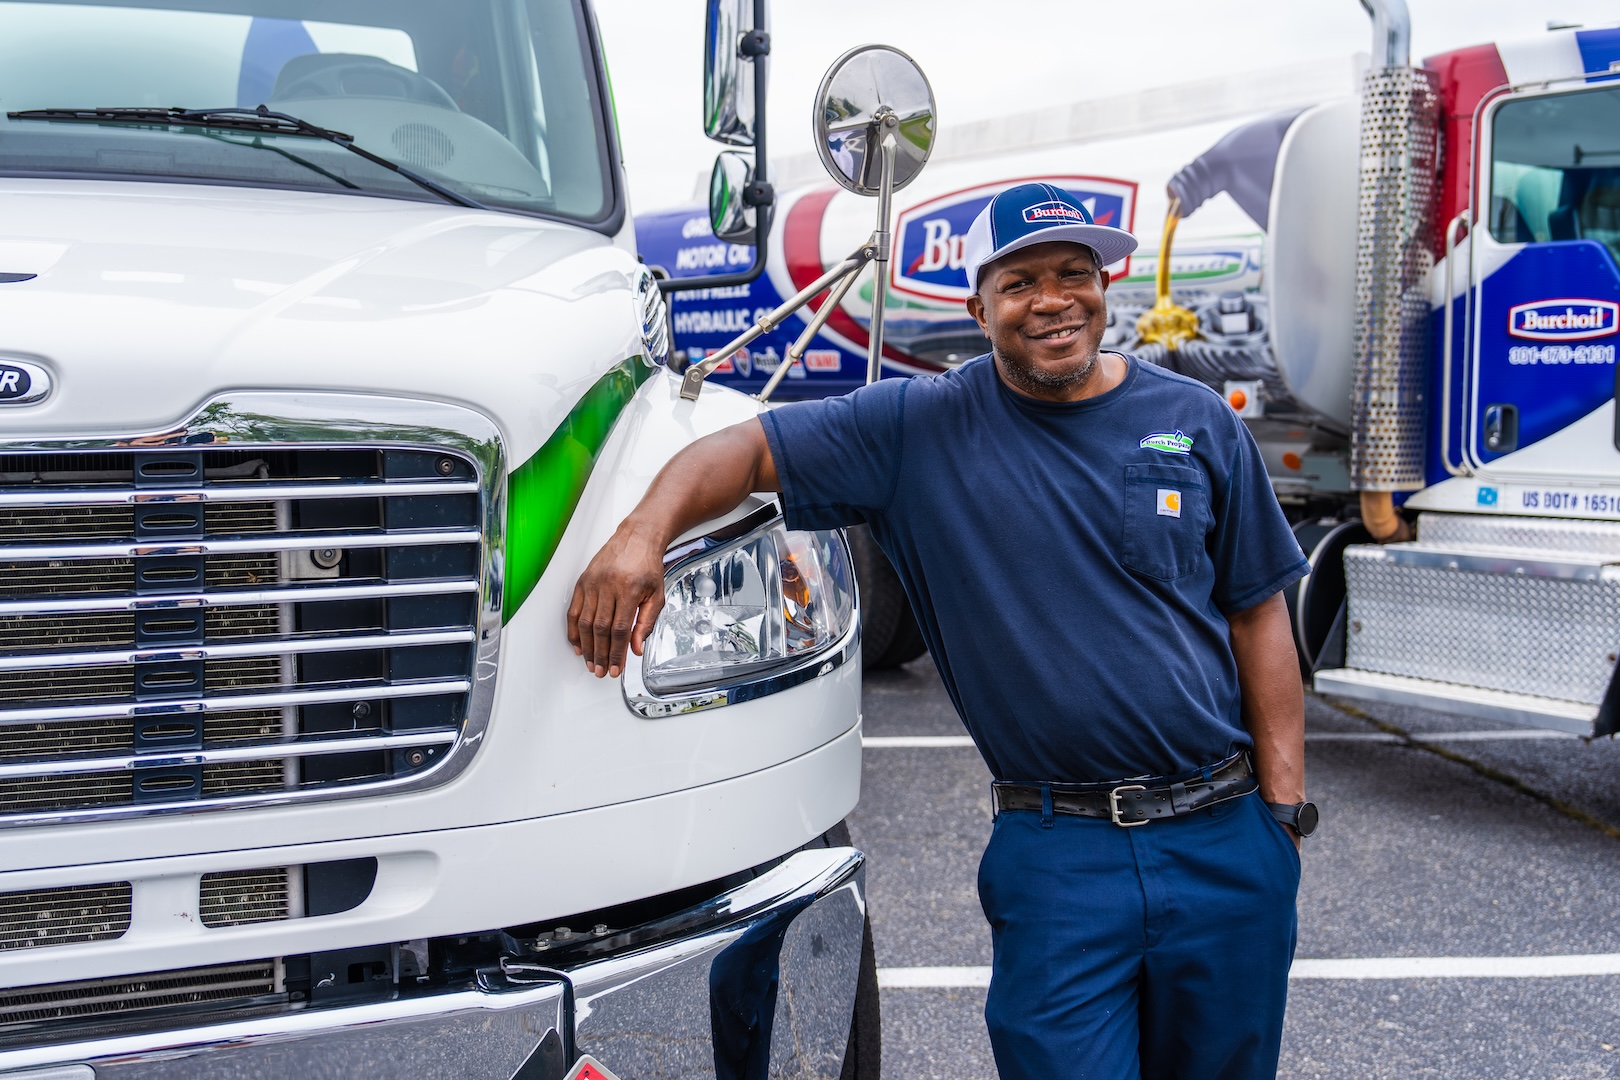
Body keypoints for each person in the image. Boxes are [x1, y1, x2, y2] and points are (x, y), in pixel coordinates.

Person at [567, 182, 1314, 1080]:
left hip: (1224, 839)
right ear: (980, 306)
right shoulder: (920, 427)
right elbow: (742, 451)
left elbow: (1257, 610)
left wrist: (1280, 818)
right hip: (1061, 851)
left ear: (1104, 284)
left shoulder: (1192, 421)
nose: (1053, 301)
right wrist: (639, 536)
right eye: (1022, 282)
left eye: (1075, 273)